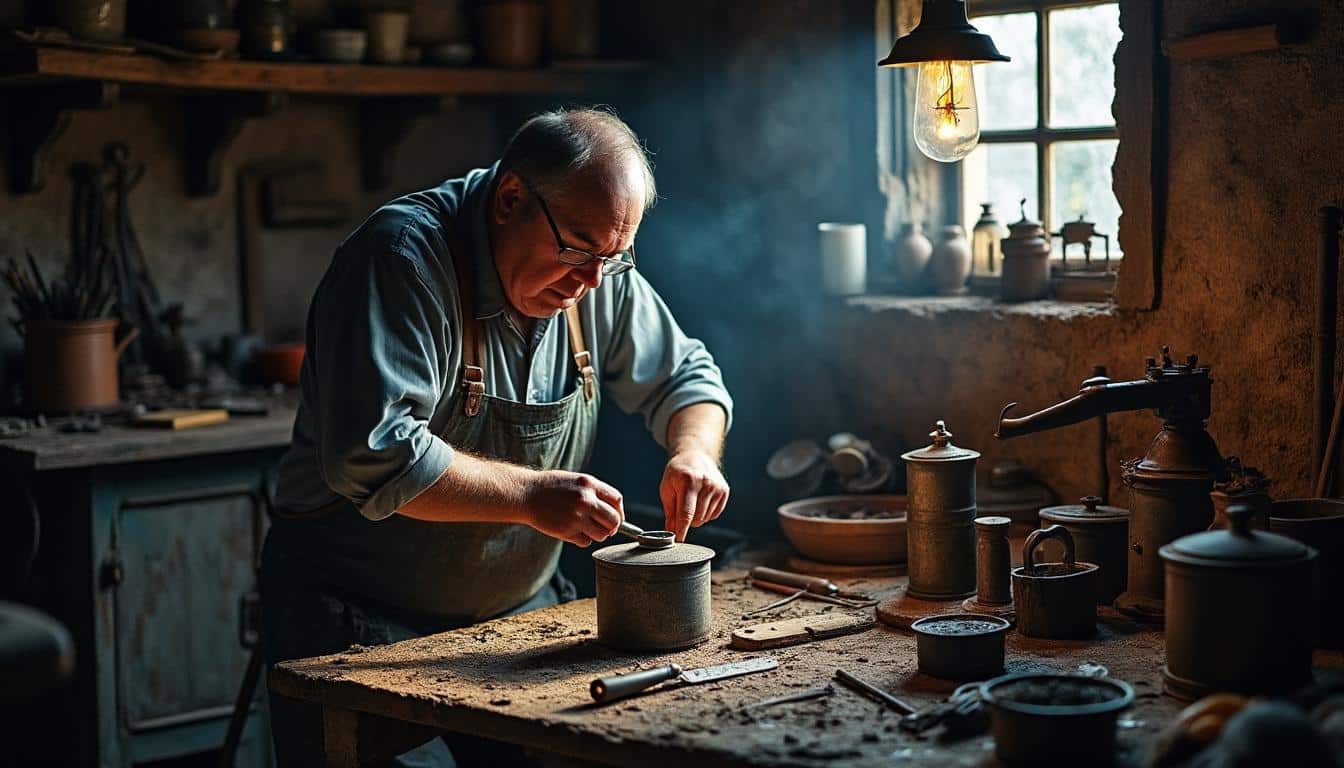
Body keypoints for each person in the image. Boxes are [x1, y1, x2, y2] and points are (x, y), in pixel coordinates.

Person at [260, 107, 733, 766]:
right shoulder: (402, 258)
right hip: (359, 623)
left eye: (613, 256)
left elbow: (688, 377)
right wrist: (532, 496)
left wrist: (694, 453)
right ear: (510, 198)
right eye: (578, 248)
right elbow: (375, 452)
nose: (593, 282)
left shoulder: (592, 268)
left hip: (514, 619)